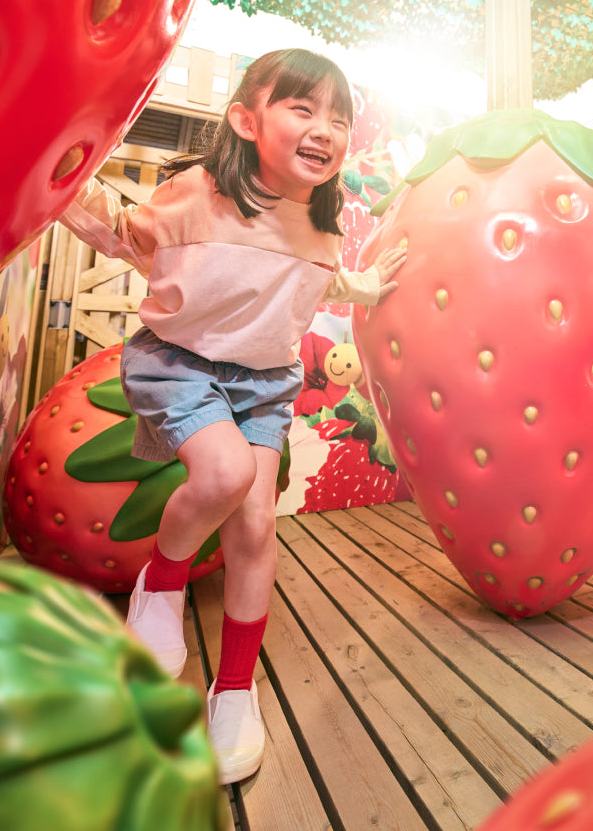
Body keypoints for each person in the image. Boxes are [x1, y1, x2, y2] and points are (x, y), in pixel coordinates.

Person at [58, 48, 405, 784]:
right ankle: (163, 578)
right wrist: (55, 181)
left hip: (263, 384)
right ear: (247, 120)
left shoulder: (321, 222)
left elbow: (330, 275)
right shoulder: (198, 193)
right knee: (220, 476)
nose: (324, 129)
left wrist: (369, 287)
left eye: (338, 118)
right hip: (177, 362)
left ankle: (235, 692)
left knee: (252, 523)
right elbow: (124, 230)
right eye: (302, 109)